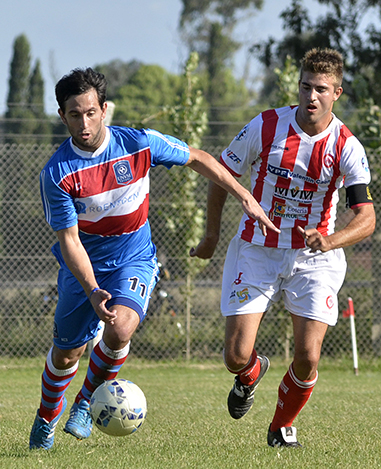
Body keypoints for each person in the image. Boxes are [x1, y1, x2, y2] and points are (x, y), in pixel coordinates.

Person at [29, 67, 278, 450]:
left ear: (105, 109)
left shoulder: (139, 144)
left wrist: (244, 196)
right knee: (66, 355)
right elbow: (70, 241)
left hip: (134, 257)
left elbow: (197, 158)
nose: (84, 122)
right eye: (75, 114)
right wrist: (93, 289)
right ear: (63, 115)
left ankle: (83, 404)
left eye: (91, 112)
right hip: (85, 270)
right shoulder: (58, 173)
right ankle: (46, 418)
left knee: (120, 329)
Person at [190, 48, 375, 448]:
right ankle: (251, 373)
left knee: (308, 357)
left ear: (337, 93)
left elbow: (366, 218)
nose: (312, 96)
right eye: (306, 86)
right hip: (257, 247)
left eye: (321, 90)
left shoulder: (346, 145)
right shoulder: (265, 126)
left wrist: (331, 239)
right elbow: (222, 176)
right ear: (298, 86)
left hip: (315, 258)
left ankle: (281, 426)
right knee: (235, 357)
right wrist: (210, 236)